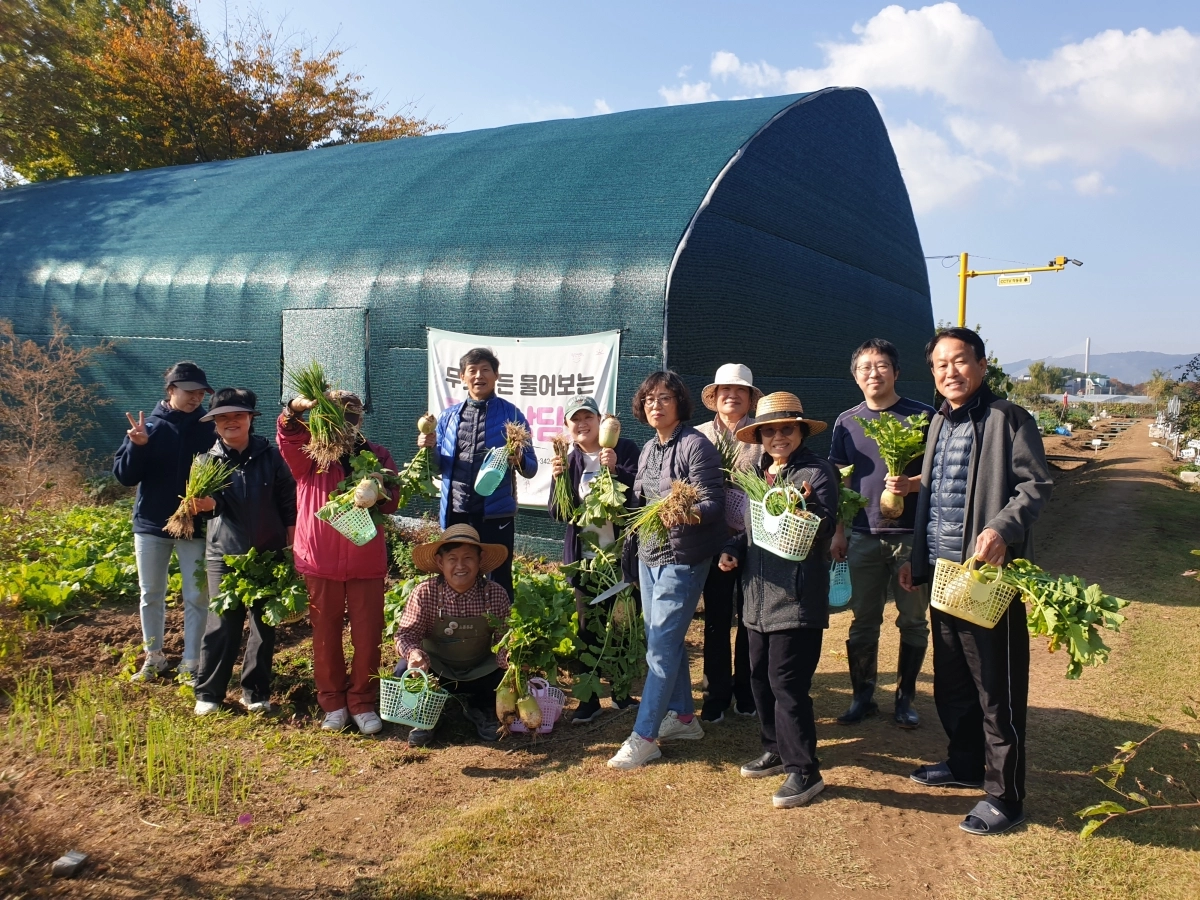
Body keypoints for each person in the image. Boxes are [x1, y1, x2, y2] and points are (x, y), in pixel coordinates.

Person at [899, 327, 1052, 836]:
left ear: (982, 364)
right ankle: (964, 764)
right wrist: (917, 559)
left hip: (989, 580)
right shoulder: (938, 422)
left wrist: (1002, 529)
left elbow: (1036, 484)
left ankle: (1005, 797)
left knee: (996, 690)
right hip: (946, 577)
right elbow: (934, 494)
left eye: (960, 361)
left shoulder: (1009, 418)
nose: (951, 372)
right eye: (941, 364)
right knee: (952, 683)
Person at [718, 392, 839, 808]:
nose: (778, 437)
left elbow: (821, 527)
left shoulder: (818, 473)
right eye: (769, 431)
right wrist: (733, 547)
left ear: (801, 430)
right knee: (758, 679)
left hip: (797, 597)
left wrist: (798, 506)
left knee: (788, 684)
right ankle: (773, 747)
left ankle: (804, 770)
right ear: (761, 437)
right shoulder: (757, 472)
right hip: (755, 595)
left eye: (787, 429)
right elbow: (749, 528)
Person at [607, 371, 725, 771]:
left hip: (684, 559)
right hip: (648, 555)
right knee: (660, 638)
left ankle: (644, 737)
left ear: (680, 403)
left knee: (660, 645)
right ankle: (685, 718)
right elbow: (639, 499)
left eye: (665, 398)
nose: (656, 404)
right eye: (650, 399)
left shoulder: (696, 446)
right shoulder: (647, 449)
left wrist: (686, 512)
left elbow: (713, 504)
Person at [278, 388, 400, 735]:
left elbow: (391, 504)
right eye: (338, 413)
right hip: (320, 558)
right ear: (324, 417)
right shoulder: (310, 456)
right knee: (325, 634)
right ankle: (332, 701)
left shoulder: (376, 455)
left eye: (352, 414)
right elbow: (287, 435)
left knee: (368, 634)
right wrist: (292, 411)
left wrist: (380, 485)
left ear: (361, 419)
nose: (346, 421)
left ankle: (362, 701)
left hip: (365, 561)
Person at [828, 339, 936, 728]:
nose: (874, 373)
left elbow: (941, 475)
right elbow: (838, 483)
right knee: (863, 619)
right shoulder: (847, 421)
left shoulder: (923, 416)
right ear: (856, 376)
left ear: (896, 372)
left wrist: (912, 485)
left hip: (911, 538)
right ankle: (862, 697)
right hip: (862, 534)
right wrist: (838, 532)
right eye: (866, 368)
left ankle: (905, 700)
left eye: (882, 366)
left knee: (912, 619)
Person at [191, 389, 297, 716]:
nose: (230, 421)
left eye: (238, 415)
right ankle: (209, 693)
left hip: (270, 555)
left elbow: (288, 503)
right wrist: (207, 506)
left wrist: (292, 547)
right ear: (215, 424)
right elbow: (203, 510)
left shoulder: (272, 455)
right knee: (223, 625)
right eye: (223, 417)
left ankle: (256, 692)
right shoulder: (205, 462)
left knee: (265, 627)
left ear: (250, 418)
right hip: (225, 556)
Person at [112, 361, 216, 684]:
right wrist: (137, 445)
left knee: (197, 596)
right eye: (189, 392)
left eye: (201, 393)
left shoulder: (207, 428)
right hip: (151, 524)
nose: (195, 398)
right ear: (171, 390)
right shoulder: (149, 428)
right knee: (151, 593)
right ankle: (153, 657)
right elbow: (125, 476)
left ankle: (191, 661)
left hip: (193, 524)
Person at [546, 395, 641, 723]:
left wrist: (616, 468)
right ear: (568, 427)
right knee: (588, 630)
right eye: (575, 420)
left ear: (601, 422)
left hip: (620, 558)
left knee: (622, 625)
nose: (582, 424)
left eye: (588, 417)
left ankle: (620, 693)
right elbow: (558, 513)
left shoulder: (625, 449)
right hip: (585, 560)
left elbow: (639, 497)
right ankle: (588, 700)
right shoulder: (567, 462)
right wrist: (558, 479)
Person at [416, 348, 538, 600]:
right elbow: (438, 466)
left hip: (496, 514)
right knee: (455, 573)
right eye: (472, 370)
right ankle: (457, 628)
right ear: (462, 377)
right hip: (457, 511)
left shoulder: (512, 415)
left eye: (485, 369)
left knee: (498, 576)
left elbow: (532, 467)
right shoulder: (449, 417)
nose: (478, 375)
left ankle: (500, 631)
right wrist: (428, 450)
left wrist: (518, 459)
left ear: (496, 376)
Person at [394, 524, 512, 747]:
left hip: (480, 671)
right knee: (403, 669)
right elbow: (405, 635)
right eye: (452, 558)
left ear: (480, 560)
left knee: (506, 676)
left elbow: (503, 639)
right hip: (438, 673)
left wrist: (508, 659)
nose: (460, 565)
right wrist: (414, 654)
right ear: (440, 562)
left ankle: (482, 708)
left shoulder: (495, 594)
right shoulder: (425, 592)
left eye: (468, 558)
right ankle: (425, 716)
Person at [696, 363, 763, 723]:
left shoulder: (760, 434)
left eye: (740, 391)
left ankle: (747, 692)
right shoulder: (699, 435)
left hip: (754, 539)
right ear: (715, 397)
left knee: (750, 619)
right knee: (717, 619)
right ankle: (715, 695)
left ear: (751, 398)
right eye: (725, 391)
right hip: (711, 539)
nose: (732, 396)